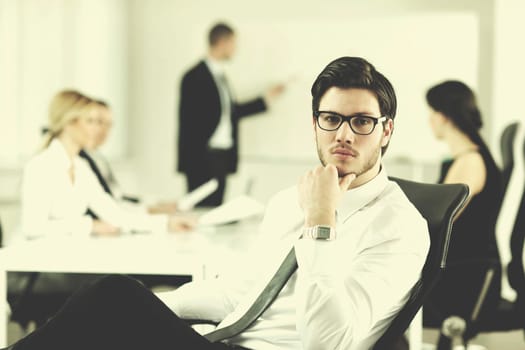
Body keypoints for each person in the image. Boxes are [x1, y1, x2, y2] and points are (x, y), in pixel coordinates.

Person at [3, 57, 429, 350]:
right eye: (331, 119)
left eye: (362, 122)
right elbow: (237, 293)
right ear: (315, 124)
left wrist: (321, 222)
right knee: (115, 297)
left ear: (386, 131)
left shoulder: (399, 225)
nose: (344, 135)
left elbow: (328, 342)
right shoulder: (287, 202)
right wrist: (148, 309)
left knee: (111, 295)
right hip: (224, 339)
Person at [19, 89, 195, 240]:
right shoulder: (40, 166)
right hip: (45, 266)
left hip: (73, 259)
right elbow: (32, 227)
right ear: (69, 124)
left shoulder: (81, 167)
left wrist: (167, 223)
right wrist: (90, 226)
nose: (97, 129)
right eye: (90, 121)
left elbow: (116, 215)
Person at [422, 81, 503, 339]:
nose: (430, 120)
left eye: (432, 112)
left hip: (464, 279)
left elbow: (439, 222)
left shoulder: (470, 162)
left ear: (444, 116)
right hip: (459, 271)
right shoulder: (464, 159)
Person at [177, 22, 284, 207]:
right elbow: (190, 125)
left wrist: (266, 99)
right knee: (201, 212)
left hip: (221, 158)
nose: (236, 48)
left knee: (217, 211)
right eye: (233, 43)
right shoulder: (194, 77)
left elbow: (231, 113)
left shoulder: (221, 77)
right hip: (201, 160)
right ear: (222, 42)